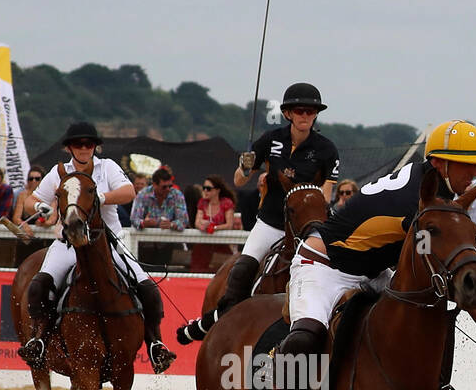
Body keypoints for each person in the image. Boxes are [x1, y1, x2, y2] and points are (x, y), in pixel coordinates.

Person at [249, 120, 476, 390]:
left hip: (371, 267)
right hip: (324, 263)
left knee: (425, 317)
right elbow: (463, 288)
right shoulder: (417, 203)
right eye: (468, 163)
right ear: (440, 163)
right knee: (307, 336)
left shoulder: (437, 194)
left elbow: (461, 280)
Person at [18, 121, 177, 374]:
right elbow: (30, 201)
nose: (84, 149)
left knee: (148, 288)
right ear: (69, 148)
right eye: (78, 144)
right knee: (39, 285)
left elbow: (128, 193)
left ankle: (155, 343)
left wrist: (99, 197)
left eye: (89, 144)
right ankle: (39, 339)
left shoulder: (108, 167)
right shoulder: (59, 173)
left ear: (95, 147)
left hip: (108, 241)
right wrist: (40, 207)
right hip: (69, 243)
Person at [216, 83, 340, 317]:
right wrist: (244, 167)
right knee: (243, 267)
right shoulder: (270, 140)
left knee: (335, 267)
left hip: (307, 228)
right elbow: (239, 182)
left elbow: (326, 194)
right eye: (299, 110)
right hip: (271, 222)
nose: (305, 115)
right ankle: (227, 315)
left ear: (316, 115)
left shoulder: (327, 149)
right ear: (288, 114)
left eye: (310, 111)